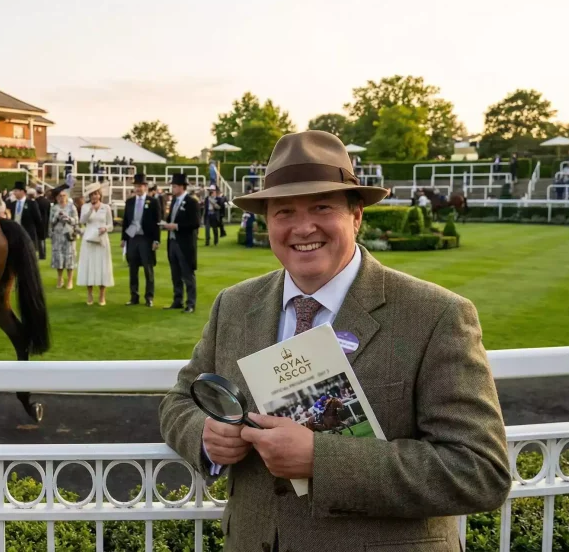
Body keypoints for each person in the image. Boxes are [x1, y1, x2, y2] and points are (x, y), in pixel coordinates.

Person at [158, 130, 509, 552]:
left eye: (322, 207)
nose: (303, 227)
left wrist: (322, 460)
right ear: (267, 221)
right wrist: (206, 435)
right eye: (284, 211)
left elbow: (480, 472)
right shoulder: (234, 305)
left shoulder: (435, 315)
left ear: (356, 215)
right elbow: (180, 399)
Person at [161, 173, 199, 313]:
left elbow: (195, 223)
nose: (173, 188)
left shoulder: (191, 202)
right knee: (175, 273)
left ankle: (190, 303)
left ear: (182, 187)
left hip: (185, 244)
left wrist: (176, 226)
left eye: (175, 186)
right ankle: (177, 300)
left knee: (187, 274)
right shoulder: (174, 202)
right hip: (172, 242)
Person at [121, 173, 160, 307]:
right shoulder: (130, 202)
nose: (138, 188)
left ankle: (149, 297)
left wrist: (156, 240)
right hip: (132, 238)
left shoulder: (153, 202)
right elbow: (126, 221)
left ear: (145, 187)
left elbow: (157, 222)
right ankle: (134, 296)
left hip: (146, 238)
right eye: (136, 186)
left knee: (148, 269)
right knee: (133, 269)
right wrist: (123, 238)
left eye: (140, 186)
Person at [76, 182, 114, 305]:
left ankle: (102, 295)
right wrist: (90, 210)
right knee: (90, 266)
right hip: (89, 239)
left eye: (96, 194)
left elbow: (111, 225)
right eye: (92, 195)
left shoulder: (106, 207)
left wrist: (105, 229)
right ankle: (90, 294)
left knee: (102, 266)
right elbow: (82, 221)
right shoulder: (85, 207)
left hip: (102, 240)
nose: (94, 197)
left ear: (100, 195)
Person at [50, 189, 78, 289]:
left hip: (69, 235)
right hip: (57, 236)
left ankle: (70, 280)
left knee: (69, 258)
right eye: (60, 196)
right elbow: (50, 222)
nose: (62, 198)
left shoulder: (72, 207)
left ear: (67, 196)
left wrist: (68, 218)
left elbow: (76, 221)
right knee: (59, 258)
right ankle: (60, 278)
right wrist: (56, 217)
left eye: (63, 196)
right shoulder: (54, 208)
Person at [8, 181, 43, 246]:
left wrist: (38, 234)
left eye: (16, 191)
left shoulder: (31, 204)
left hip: (28, 234)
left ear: (22, 192)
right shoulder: (12, 204)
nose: (14, 193)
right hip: (15, 234)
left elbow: (38, 219)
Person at [35, 186, 51, 260]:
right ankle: (43, 254)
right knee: (43, 239)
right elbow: (48, 213)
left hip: (38, 222)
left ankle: (41, 254)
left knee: (39, 239)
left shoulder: (36, 201)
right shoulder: (47, 201)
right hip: (45, 221)